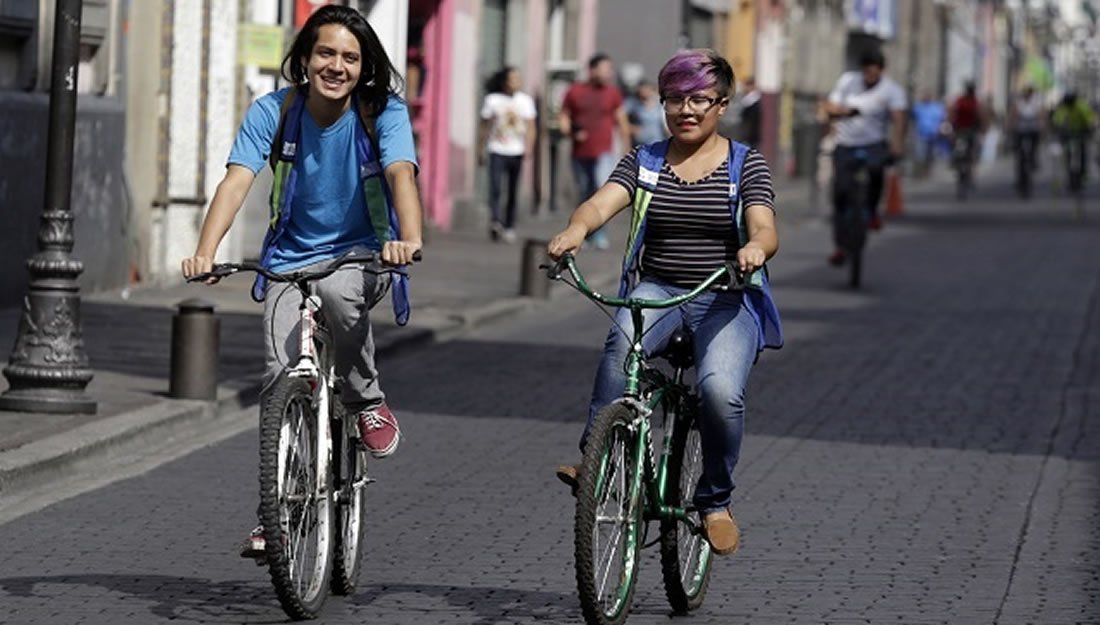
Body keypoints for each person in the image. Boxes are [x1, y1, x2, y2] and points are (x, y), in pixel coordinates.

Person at [179, 6, 422, 557]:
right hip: (288, 259)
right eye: (326, 53)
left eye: (350, 57)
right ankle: (278, 511)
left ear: (365, 67)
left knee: (338, 296)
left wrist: (409, 236)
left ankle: (366, 398)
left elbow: (400, 172)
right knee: (279, 373)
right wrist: (204, 251)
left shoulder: (380, 112)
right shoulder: (275, 111)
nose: (336, 65)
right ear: (305, 58)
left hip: (362, 253)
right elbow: (238, 180)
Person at [548, 49, 783, 556]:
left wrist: (755, 247)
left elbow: (764, 225)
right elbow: (602, 201)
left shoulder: (746, 165)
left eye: (699, 99)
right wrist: (576, 228)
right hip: (659, 288)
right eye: (674, 99)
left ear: (722, 105)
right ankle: (597, 459)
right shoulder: (645, 160)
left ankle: (714, 501)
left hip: (725, 295)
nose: (686, 109)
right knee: (621, 345)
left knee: (720, 393)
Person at [823, 49, 906, 265]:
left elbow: (898, 118)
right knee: (840, 193)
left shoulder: (891, 90)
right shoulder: (848, 81)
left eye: (873, 73)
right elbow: (830, 106)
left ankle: (871, 210)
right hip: (846, 143)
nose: (869, 76)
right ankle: (840, 246)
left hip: (873, 144)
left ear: (881, 71)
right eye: (866, 72)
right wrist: (842, 116)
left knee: (877, 171)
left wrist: (897, 144)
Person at [559, 53, 633, 250]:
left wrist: (627, 150)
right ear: (592, 70)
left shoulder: (612, 93)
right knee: (584, 191)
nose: (608, 73)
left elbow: (622, 121)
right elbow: (564, 116)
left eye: (610, 69)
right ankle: (582, 233)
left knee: (600, 192)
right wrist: (571, 133)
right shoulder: (575, 91)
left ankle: (599, 235)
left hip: (604, 152)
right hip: (580, 152)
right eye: (604, 68)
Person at [478, 66, 537, 243]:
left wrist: (529, 147)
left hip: (516, 150)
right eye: (512, 79)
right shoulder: (492, 100)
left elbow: (531, 126)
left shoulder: (525, 101)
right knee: (496, 187)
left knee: (512, 189)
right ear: (504, 82)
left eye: (518, 79)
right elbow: (484, 126)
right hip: (497, 148)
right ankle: (495, 220)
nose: (515, 83)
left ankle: (509, 224)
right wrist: (481, 148)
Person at [1051, 90, 1096, 183]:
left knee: (1082, 151)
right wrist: (1056, 127)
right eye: (1067, 103)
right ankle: (1069, 170)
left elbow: (1090, 118)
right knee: (1067, 152)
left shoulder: (1081, 106)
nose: (1069, 106)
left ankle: (1083, 171)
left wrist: (1090, 127)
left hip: (1080, 132)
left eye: (1071, 103)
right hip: (1067, 133)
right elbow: (1057, 119)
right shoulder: (1063, 107)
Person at [1008, 84, 1044, 189]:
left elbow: (1042, 115)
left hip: (1033, 130)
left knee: (1033, 148)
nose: (1027, 94)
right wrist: (1010, 126)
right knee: (1019, 155)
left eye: (1029, 92)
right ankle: (1020, 177)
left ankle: (1033, 159)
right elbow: (1012, 115)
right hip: (1020, 130)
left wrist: (1042, 126)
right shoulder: (1018, 103)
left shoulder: (1037, 102)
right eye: (1026, 92)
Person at [948, 82, 984, 170]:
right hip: (961, 128)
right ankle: (956, 160)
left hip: (968, 128)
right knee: (956, 144)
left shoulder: (973, 101)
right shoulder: (965, 100)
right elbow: (953, 111)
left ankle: (969, 166)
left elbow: (980, 114)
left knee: (972, 148)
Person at [910, 89, 946, 176]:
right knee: (920, 154)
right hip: (921, 134)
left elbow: (943, 119)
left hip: (934, 134)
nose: (926, 97)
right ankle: (919, 171)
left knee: (930, 154)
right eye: (924, 96)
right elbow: (912, 117)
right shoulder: (918, 107)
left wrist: (941, 130)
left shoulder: (937, 107)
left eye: (928, 96)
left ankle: (928, 170)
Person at [625, 80, 667, 147]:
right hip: (641, 143)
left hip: (658, 141)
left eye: (647, 89)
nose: (644, 92)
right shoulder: (633, 104)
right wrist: (631, 128)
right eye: (642, 90)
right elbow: (621, 116)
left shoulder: (660, 104)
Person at [738, 76, 762, 148]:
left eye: (745, 86)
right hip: (748, 136)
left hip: (750, 137)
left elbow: (751, 122)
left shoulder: (753, 102)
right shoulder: (747, 100)